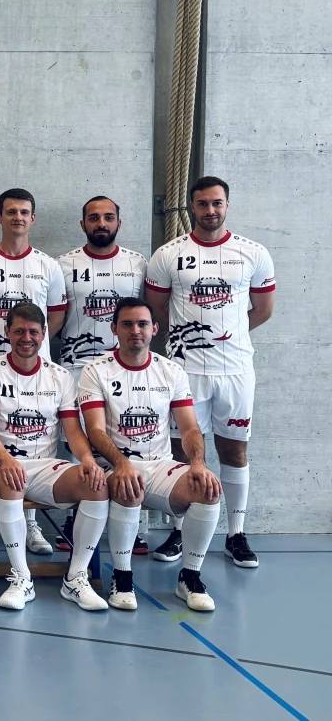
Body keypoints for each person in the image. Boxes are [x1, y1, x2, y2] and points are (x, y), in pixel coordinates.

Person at [145, 176, 275, 568]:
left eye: (217, 203)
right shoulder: (169, 254)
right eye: (202, 204)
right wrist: (194, 340)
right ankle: (180, 530)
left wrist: (226, 338)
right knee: (183, 451)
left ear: (227, 205)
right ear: (191, 207)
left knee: (233, 450)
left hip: (235, 370)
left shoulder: (253, 253)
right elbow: (157, 310)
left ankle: (236, 534)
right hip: (185, 372)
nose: (210, 210)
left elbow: (263, 310)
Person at [79, 298, 222, 611]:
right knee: (128, 484)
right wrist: (121, 464)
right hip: (112, 467)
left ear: (154, 329)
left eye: (142, 324)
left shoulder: (171, 371)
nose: (135, 330)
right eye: (127, 324)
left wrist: (198, 464)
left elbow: (190, 428)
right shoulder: (95, 370)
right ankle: (122, 576)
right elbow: (95, 430)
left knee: (207, 488)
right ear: (114, 328)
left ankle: (190, 577)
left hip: (160, 465)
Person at [0, 303, 110, 611]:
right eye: (19, 331)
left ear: (44, 334)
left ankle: (75, 577)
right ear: (7, 332)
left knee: (97, 484)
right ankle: (22, 577)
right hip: (1, 464)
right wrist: (6, 459)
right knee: (11, 481)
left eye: (33, 332)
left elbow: (73, 431)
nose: (26, 338)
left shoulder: (60, 376)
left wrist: (87, 459)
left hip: (47, 466)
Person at [0, 188, 68, 556]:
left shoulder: (48, 266)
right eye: (10, 211)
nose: (17, 217)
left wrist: (30, 344)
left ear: (32, 218)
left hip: (34, 370)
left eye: (24, 212)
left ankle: (31, 523)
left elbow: (55, 316)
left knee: (35, 439)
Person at [56, 196, 149, 555]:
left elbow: (147, 316)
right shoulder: (63, 264)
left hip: (127, 367)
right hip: (77, 366)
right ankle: (74, 518)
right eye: (94, 218)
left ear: (118, 223)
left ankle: (132, 524)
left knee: (130, 439)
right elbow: (54, 317)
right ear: (83, 224)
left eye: (108, 217)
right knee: (78, 445)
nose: (101, 224)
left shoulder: (137, 263)